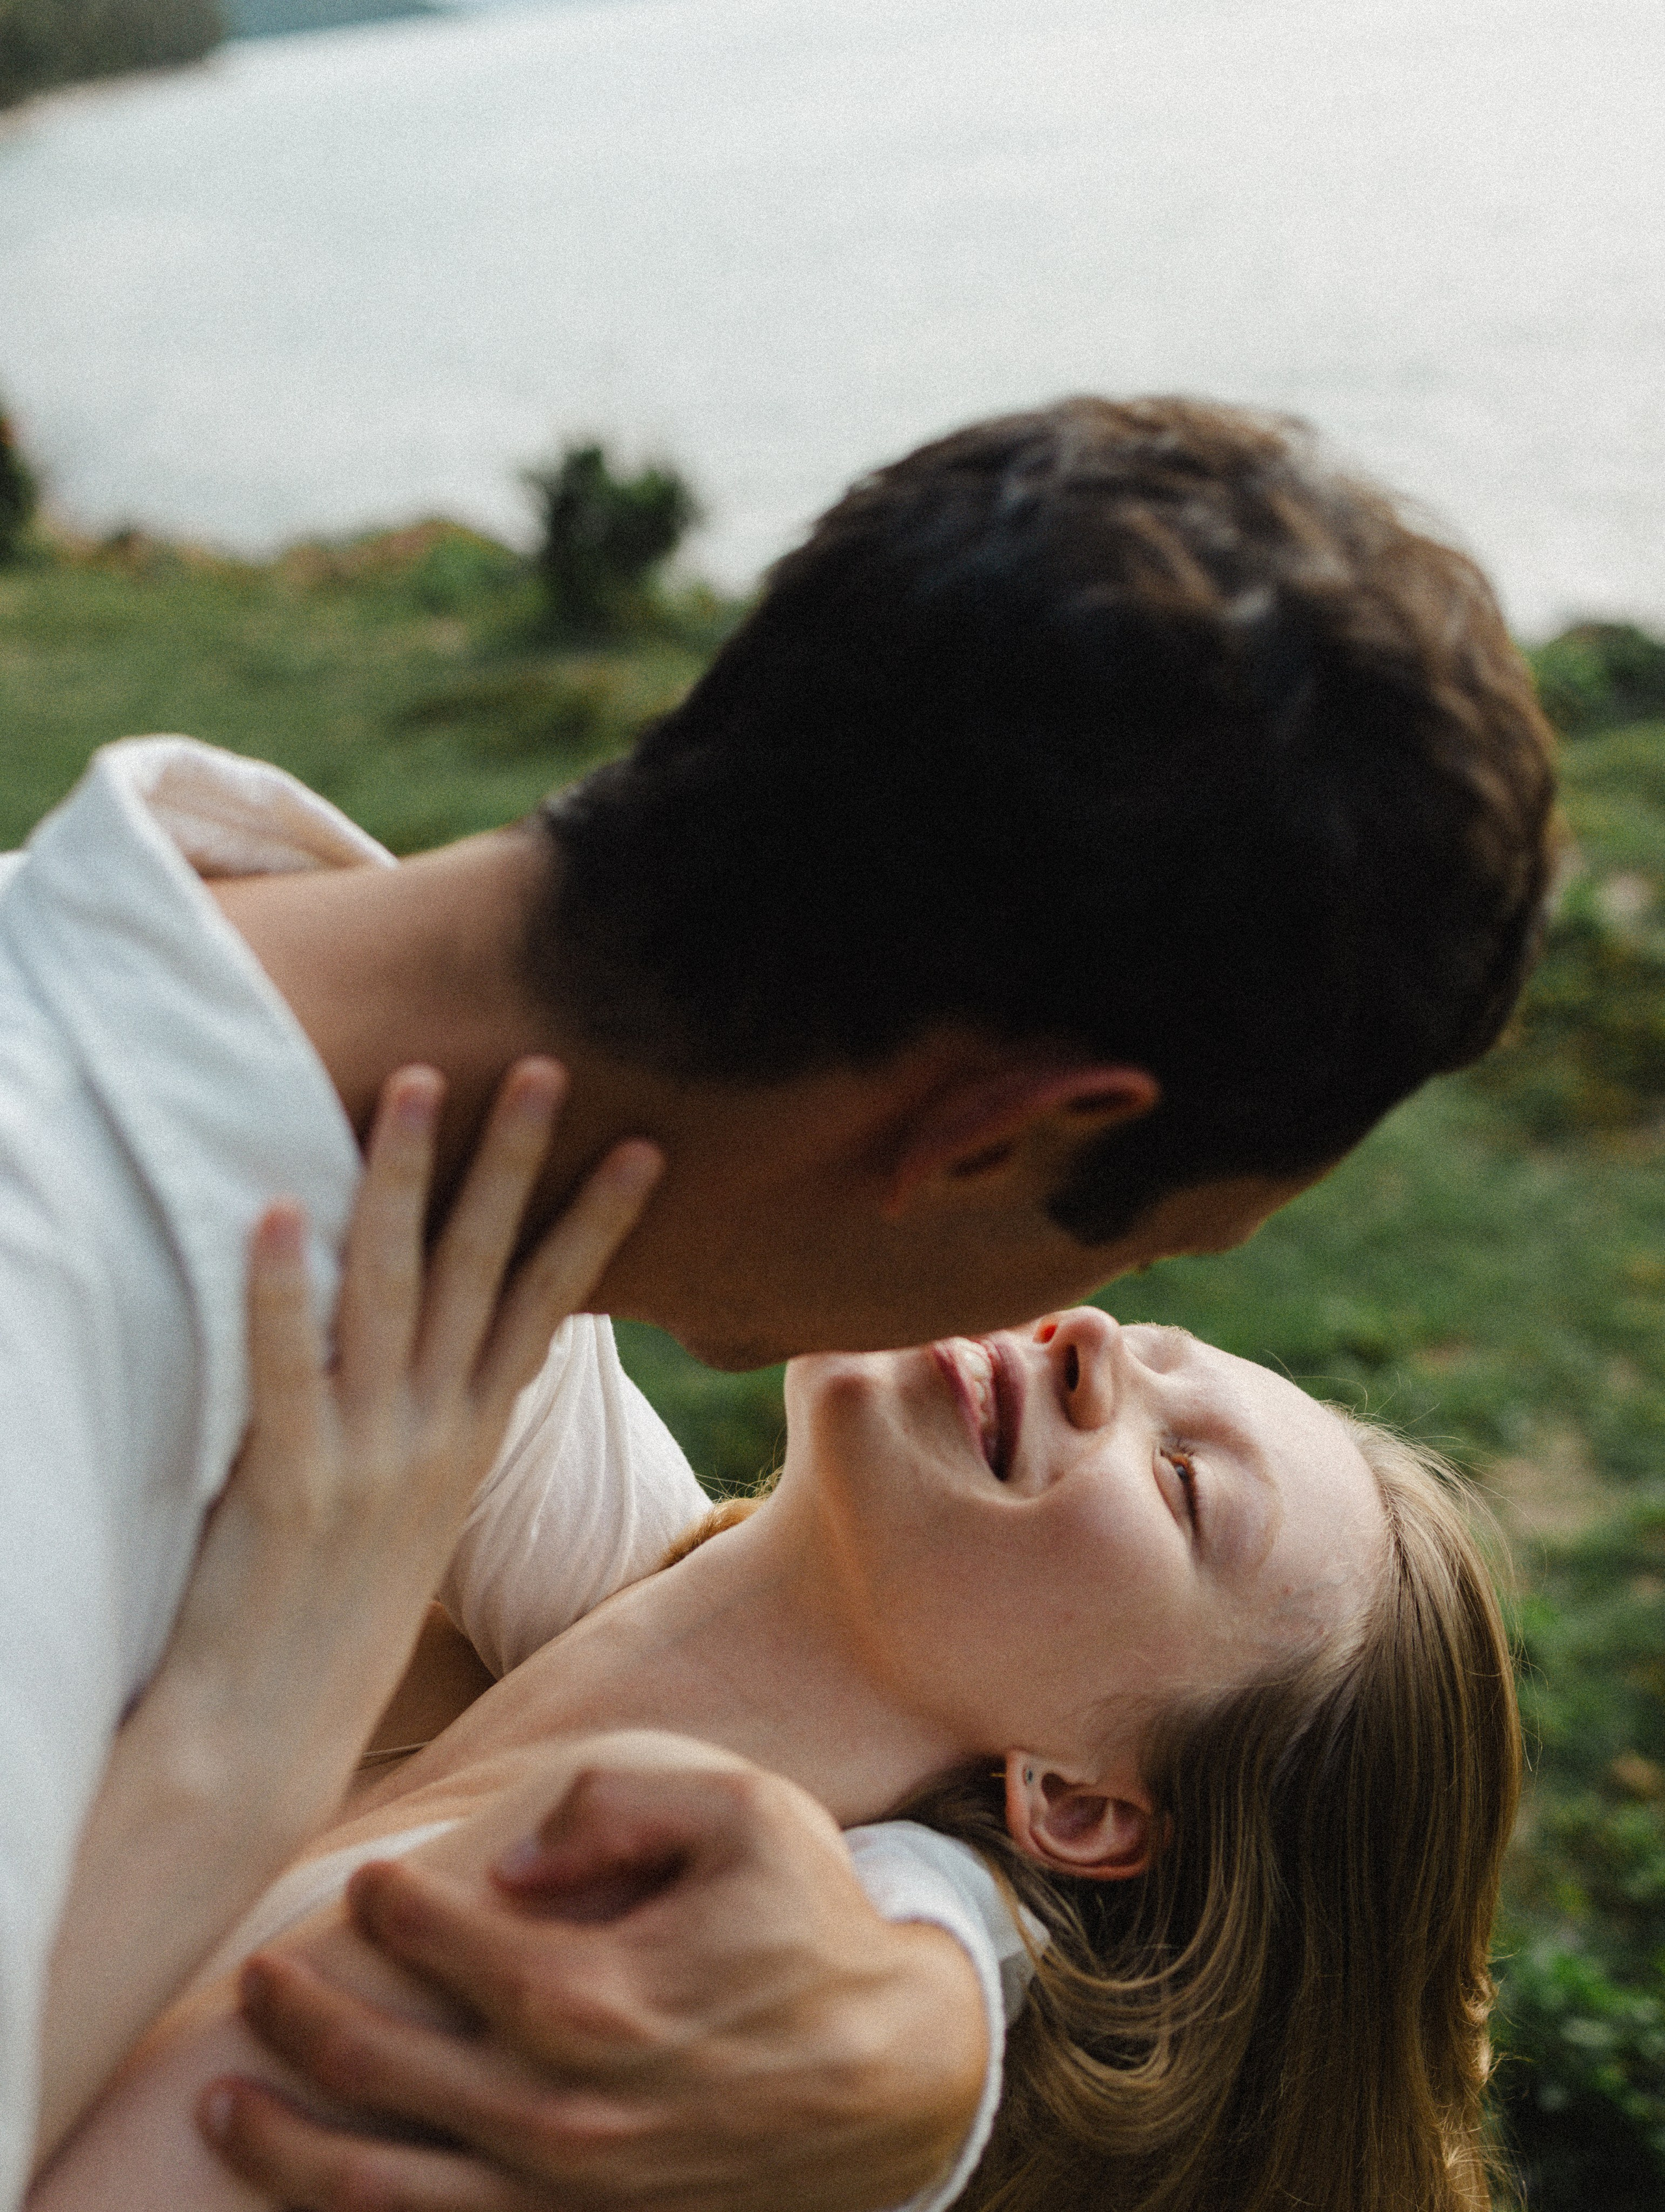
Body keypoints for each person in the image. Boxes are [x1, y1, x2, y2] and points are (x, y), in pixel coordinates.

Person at [0, 393, 1554, 2212]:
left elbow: (782, 1695)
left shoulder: (448, 1326)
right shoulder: (146, 1383)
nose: (1077, 1337)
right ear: (1005, 1140)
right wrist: (242, 1749)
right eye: (1131, 1273)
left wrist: (955, 1998)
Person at [30, 1263, 1522, 2212]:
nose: (1085, 1352)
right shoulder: (582, 1565)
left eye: (1184, 1486)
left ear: (1077, 1804)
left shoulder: (615, 1948)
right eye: (1139, 1344)